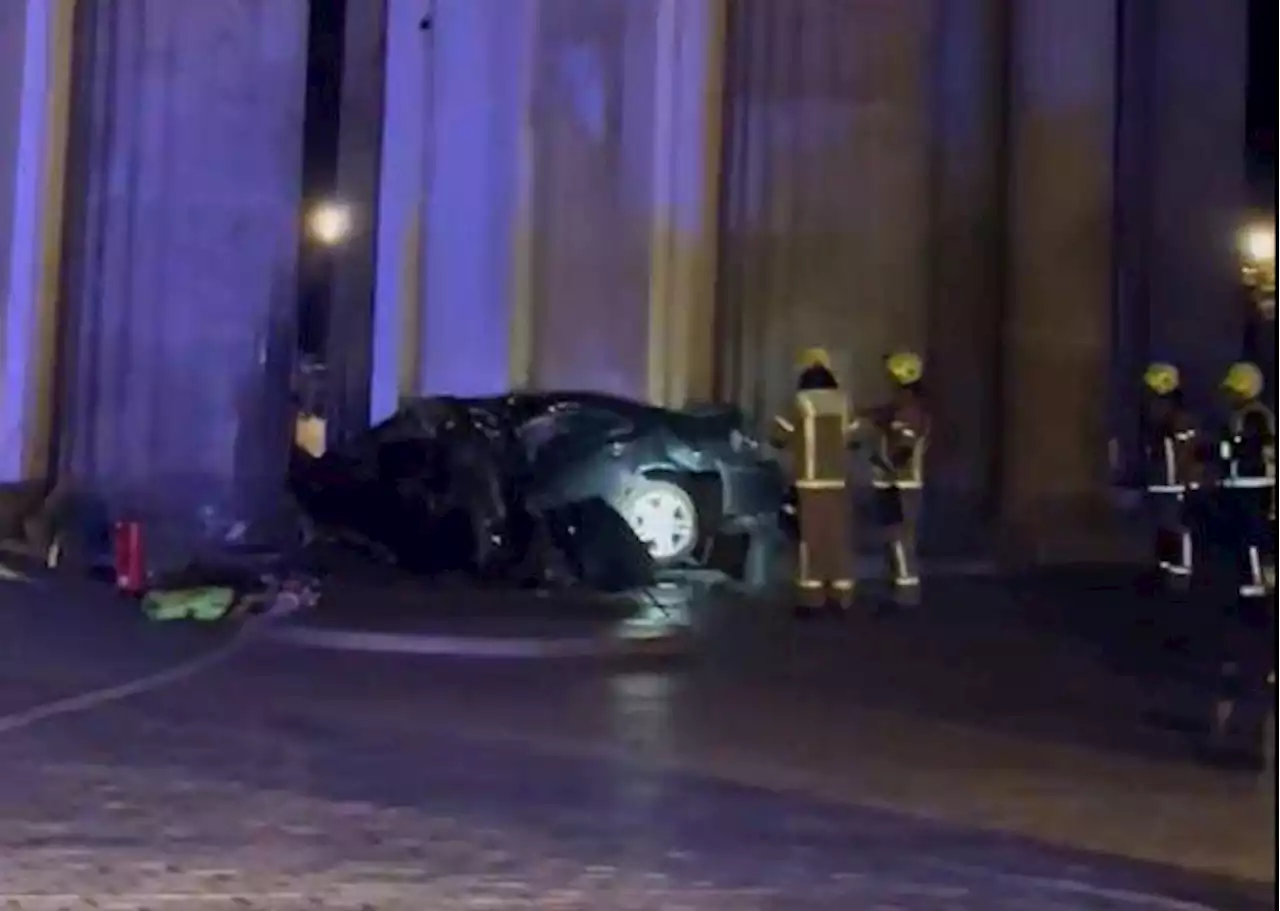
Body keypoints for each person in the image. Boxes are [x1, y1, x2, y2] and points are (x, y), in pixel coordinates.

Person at [1202, 361, 1276, 769]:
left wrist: (1214, 453)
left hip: (1252, 527)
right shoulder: (1256, 419)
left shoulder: (1251, 421)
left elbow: (1242, 466)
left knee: (1251, 624)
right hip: (1254, 526)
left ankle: (1242, 738)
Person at [771, 348, 858, 614]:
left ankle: (812, 599)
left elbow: (778, 435)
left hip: (809, 482)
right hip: (839, 482)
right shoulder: (844, 402)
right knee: (838, 538)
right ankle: (841, 596)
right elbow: (854, 438)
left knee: (811, 540)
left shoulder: (800, 402)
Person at [859, 351, 931, 603]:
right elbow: (882, 415)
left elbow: (903, 449)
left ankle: (905, 594)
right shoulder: (900, 408)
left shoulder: (909, 412)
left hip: (903, 485)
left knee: (901, 540)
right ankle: (896, 589)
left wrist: (883, 461)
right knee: (892, 538)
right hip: (892, 483)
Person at [1139, 362, 1201, 590]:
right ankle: (1163, 569)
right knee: (1163, 527)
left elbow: (1187, 452)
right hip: (1161, 482)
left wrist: (1188, 481)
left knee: (1177, 527)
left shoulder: (1178, 417)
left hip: (1174, 483)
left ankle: (1181, 572)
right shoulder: (1155, 416)